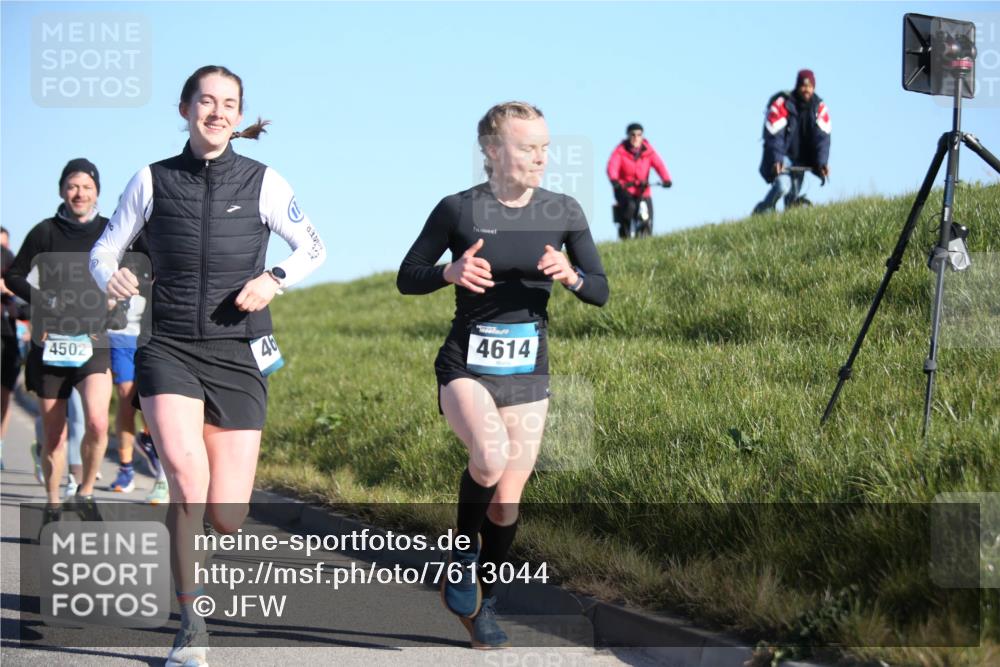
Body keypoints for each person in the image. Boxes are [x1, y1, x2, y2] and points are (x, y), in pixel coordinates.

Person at [90, 64, 326, 667]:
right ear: (184, 108)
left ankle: (182, 464)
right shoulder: (151, 179)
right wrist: (110, 274)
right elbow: (105, 248)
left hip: (238, 352)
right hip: (168, 346)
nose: (217, 112)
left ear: (239, 115)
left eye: (228, 104)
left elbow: (314, 247)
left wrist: (274, 279)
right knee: (187, 483)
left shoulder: (264, 181)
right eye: (206, 101)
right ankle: (190, 626)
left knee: (226, 514)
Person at [397, 101, 608, 649]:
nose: (541, 156)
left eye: (544, 146)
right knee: (488, 457)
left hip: (527, 373)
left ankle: (485, 604)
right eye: (527, 146)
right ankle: (461, 557)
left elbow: (601, 289)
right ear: (492, 151)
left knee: (507, 501)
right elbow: (408, 276)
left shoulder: (563, 210)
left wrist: (573, 276)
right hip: (465, 364)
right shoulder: (458, 210)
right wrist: (450, 270)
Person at [5, 159, 113, 524]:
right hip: (51, 343)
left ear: (97, 190)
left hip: (94, 341)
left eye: (86, 186)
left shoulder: (111, 230)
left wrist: (119, 303)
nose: (79, 193)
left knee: (98, 422)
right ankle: (53, 503)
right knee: (54, 436)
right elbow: (14, 275)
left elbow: (142, 267)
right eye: (72, 186)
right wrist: (43, 301)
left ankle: (84, 493)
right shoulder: (45, 231)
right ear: (61, 191)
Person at [753, 69, 831, 214]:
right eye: (803, 85)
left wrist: (822, 163)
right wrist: (776, 160)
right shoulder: (783, 104)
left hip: (801, 161)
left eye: (809, 86)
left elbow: (823, 139)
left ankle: (783, 229)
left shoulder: (819, 108)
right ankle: (762, 212)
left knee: (792, 201)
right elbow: (774, 136)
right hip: (783, 157)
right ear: (797, 86)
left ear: (813, 87)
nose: (806, 89)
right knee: (783, 186)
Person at [606, 123, 672, 239]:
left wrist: (666, 179)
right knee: (630, 207)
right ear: (628, 136)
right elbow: (612, 166)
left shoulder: (648, 151)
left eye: (639, 135)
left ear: (642, 136)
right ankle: (625, 233)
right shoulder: (620, 151)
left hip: (643, 189)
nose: (636, 138)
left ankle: (647, 238)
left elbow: (659, 165)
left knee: (649, 215)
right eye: (633, 135)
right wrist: (614, 180)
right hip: (624, 189)